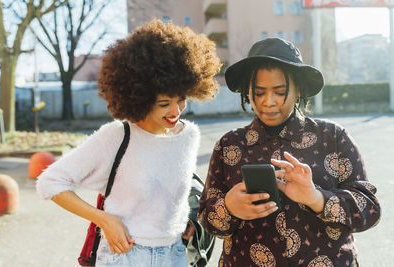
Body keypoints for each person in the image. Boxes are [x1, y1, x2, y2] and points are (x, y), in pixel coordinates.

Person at [36, 19, 221, 267]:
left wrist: (185, 221)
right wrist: (104, 220)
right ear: (140, 97)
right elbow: (49, 182)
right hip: (124, 256)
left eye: (182, 99)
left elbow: (173, 194)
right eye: (164, 103)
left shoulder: (189, 136)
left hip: (175, 255)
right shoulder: (117, 136)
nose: (176, 110)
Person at [198, 38, 381, 267]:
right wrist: (229, 207)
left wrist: (316, 198)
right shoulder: (228, 146)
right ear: (248, 91)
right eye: (259, 92)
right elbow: (206, 219)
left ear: (299, 89)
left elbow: (369, 210)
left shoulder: (334, 138)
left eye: (280, 91)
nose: (269, 102)